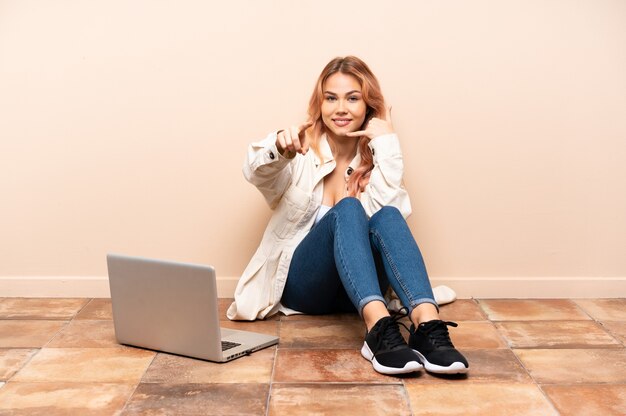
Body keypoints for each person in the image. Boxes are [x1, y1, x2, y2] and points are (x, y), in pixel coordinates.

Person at [227, 56, 468, 376]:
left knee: (388, 215)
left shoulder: (379, 158)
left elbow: (394, 216)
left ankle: (428, 326)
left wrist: (387, 144)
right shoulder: (299, 153)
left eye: (352, 98)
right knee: (349, 208)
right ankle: (378, 330)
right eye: (331, 98)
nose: (340, 108)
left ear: (369, 106)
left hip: (357, 288)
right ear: (320, 103)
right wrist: (278, 148)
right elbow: (255, 173)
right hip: (306, 289)